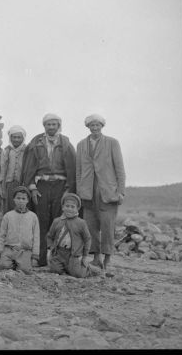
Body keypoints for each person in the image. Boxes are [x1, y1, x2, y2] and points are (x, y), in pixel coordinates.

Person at [22, 113, 76, 266]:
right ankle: (40, 258)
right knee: (42, 220)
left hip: (60, 185)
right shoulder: (36, 142)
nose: (51, 127)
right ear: (44, 126)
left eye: (54, 124)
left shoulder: (65, 143)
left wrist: (68, 189)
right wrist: (32, 187)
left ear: (58, 126)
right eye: (48, 124)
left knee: (59, 220)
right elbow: (29, 166)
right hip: (42, 186)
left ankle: (57, 258)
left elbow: (72, 167)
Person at [76, 114, 126, 272]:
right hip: (87, 192)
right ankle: (96, 257)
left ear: (102, 126)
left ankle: (108, 258)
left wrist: (121, 192)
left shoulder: (112, 143)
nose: (95, 128)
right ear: (88, 127)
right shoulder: (81, 145)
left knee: (107, 225)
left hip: (107, 191)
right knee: (91, 226)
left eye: (97, 125)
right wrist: (79, 190)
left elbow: (120, 169)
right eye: (92, 125)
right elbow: (79, 171)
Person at [47, 192, 101, 278]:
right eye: (67, 206)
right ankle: (67, 268)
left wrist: (84, 256)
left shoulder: (81, 223)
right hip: (59, 253)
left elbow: (87, 239)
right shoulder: (57, 221)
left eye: (73, 207)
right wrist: (51, 248)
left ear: (77, 209)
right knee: (55, 270)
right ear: (63, 207)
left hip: (73, 255)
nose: (69, 209)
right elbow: (50, 236)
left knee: (78, 274)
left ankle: (90, 269)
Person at [0, 186, 40, 273]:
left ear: (27, 200)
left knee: (25, 270)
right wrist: (0, 249)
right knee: (2, 266)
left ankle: (20, 264)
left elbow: (36, 236)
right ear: (14, 199)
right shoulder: (8, 216)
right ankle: (11, 263)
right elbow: (2, 234)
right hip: (10, 248)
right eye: (18, 198)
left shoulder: (33, 217)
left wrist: (35, 255)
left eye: (23, 198)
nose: (21, 201)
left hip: (25, 250)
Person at [0, 126, 27, 214]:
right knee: (8, 207)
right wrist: (1, 186)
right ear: (10, 138)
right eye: (14, 137)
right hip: (9, 184)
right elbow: (2, 168)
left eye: (19, 137)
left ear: (23, 138)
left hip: (22, 183)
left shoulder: (27, 150)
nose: (16, 140)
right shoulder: (7, 150)